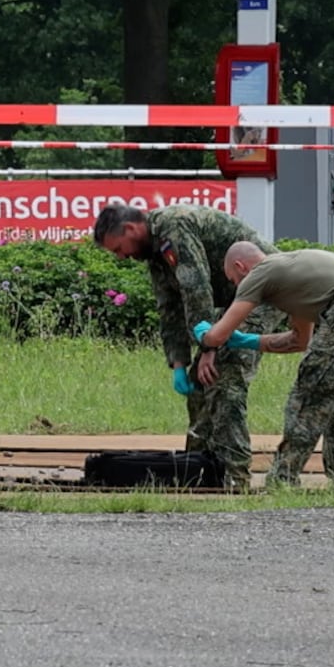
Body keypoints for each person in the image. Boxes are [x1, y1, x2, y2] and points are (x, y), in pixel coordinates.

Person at [92, 201, 279, 491]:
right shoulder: (154, 252)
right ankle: (198, 472)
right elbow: (170, 309)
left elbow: (197, 287)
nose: (122, 257)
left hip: (266, 289)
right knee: (199, 383)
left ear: (131, 228)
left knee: (225, 377)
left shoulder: (173, 226)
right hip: (237, 301)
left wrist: (209, 349)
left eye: (119, 248)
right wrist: (179, 363)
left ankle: (235, 477)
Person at [198, 242, 334, 490]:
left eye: (233, 279)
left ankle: (282, 480)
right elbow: (299, 341)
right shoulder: (294, 279)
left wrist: (204, 335)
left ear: (240, 267)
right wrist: (249, 341)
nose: (236, 286)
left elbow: (217, 335)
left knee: (307, 400)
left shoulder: (260, 272)